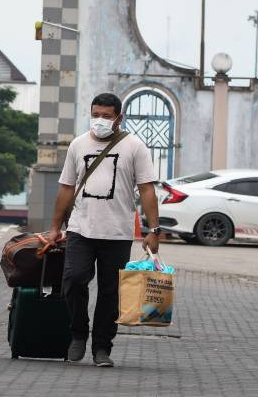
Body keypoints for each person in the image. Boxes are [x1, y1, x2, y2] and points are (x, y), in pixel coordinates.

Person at [46, 92, 160, 368]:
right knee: (73, 280)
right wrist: (54, 227)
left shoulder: (134, 147)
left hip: (117, 233)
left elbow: (147, 189)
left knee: (111, 293)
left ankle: (101, 348)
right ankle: (78, 333)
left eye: (106, 116)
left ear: (119, 118)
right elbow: (66, 188)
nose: (99, 120)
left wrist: (153, 229)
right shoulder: (78, 144)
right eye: (95, 114)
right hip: (80, 230)